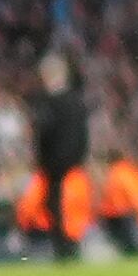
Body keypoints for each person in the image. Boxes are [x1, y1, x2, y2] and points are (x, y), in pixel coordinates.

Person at [28, 53, 90, 261]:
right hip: (73, 166)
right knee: (68, 209)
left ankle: (63, 249)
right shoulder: (76, 101)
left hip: (57, 167)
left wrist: (44, 161)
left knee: (58, 208)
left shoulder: (49, 103)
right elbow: (82, 136)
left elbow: (44, 135)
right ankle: (69, 248)